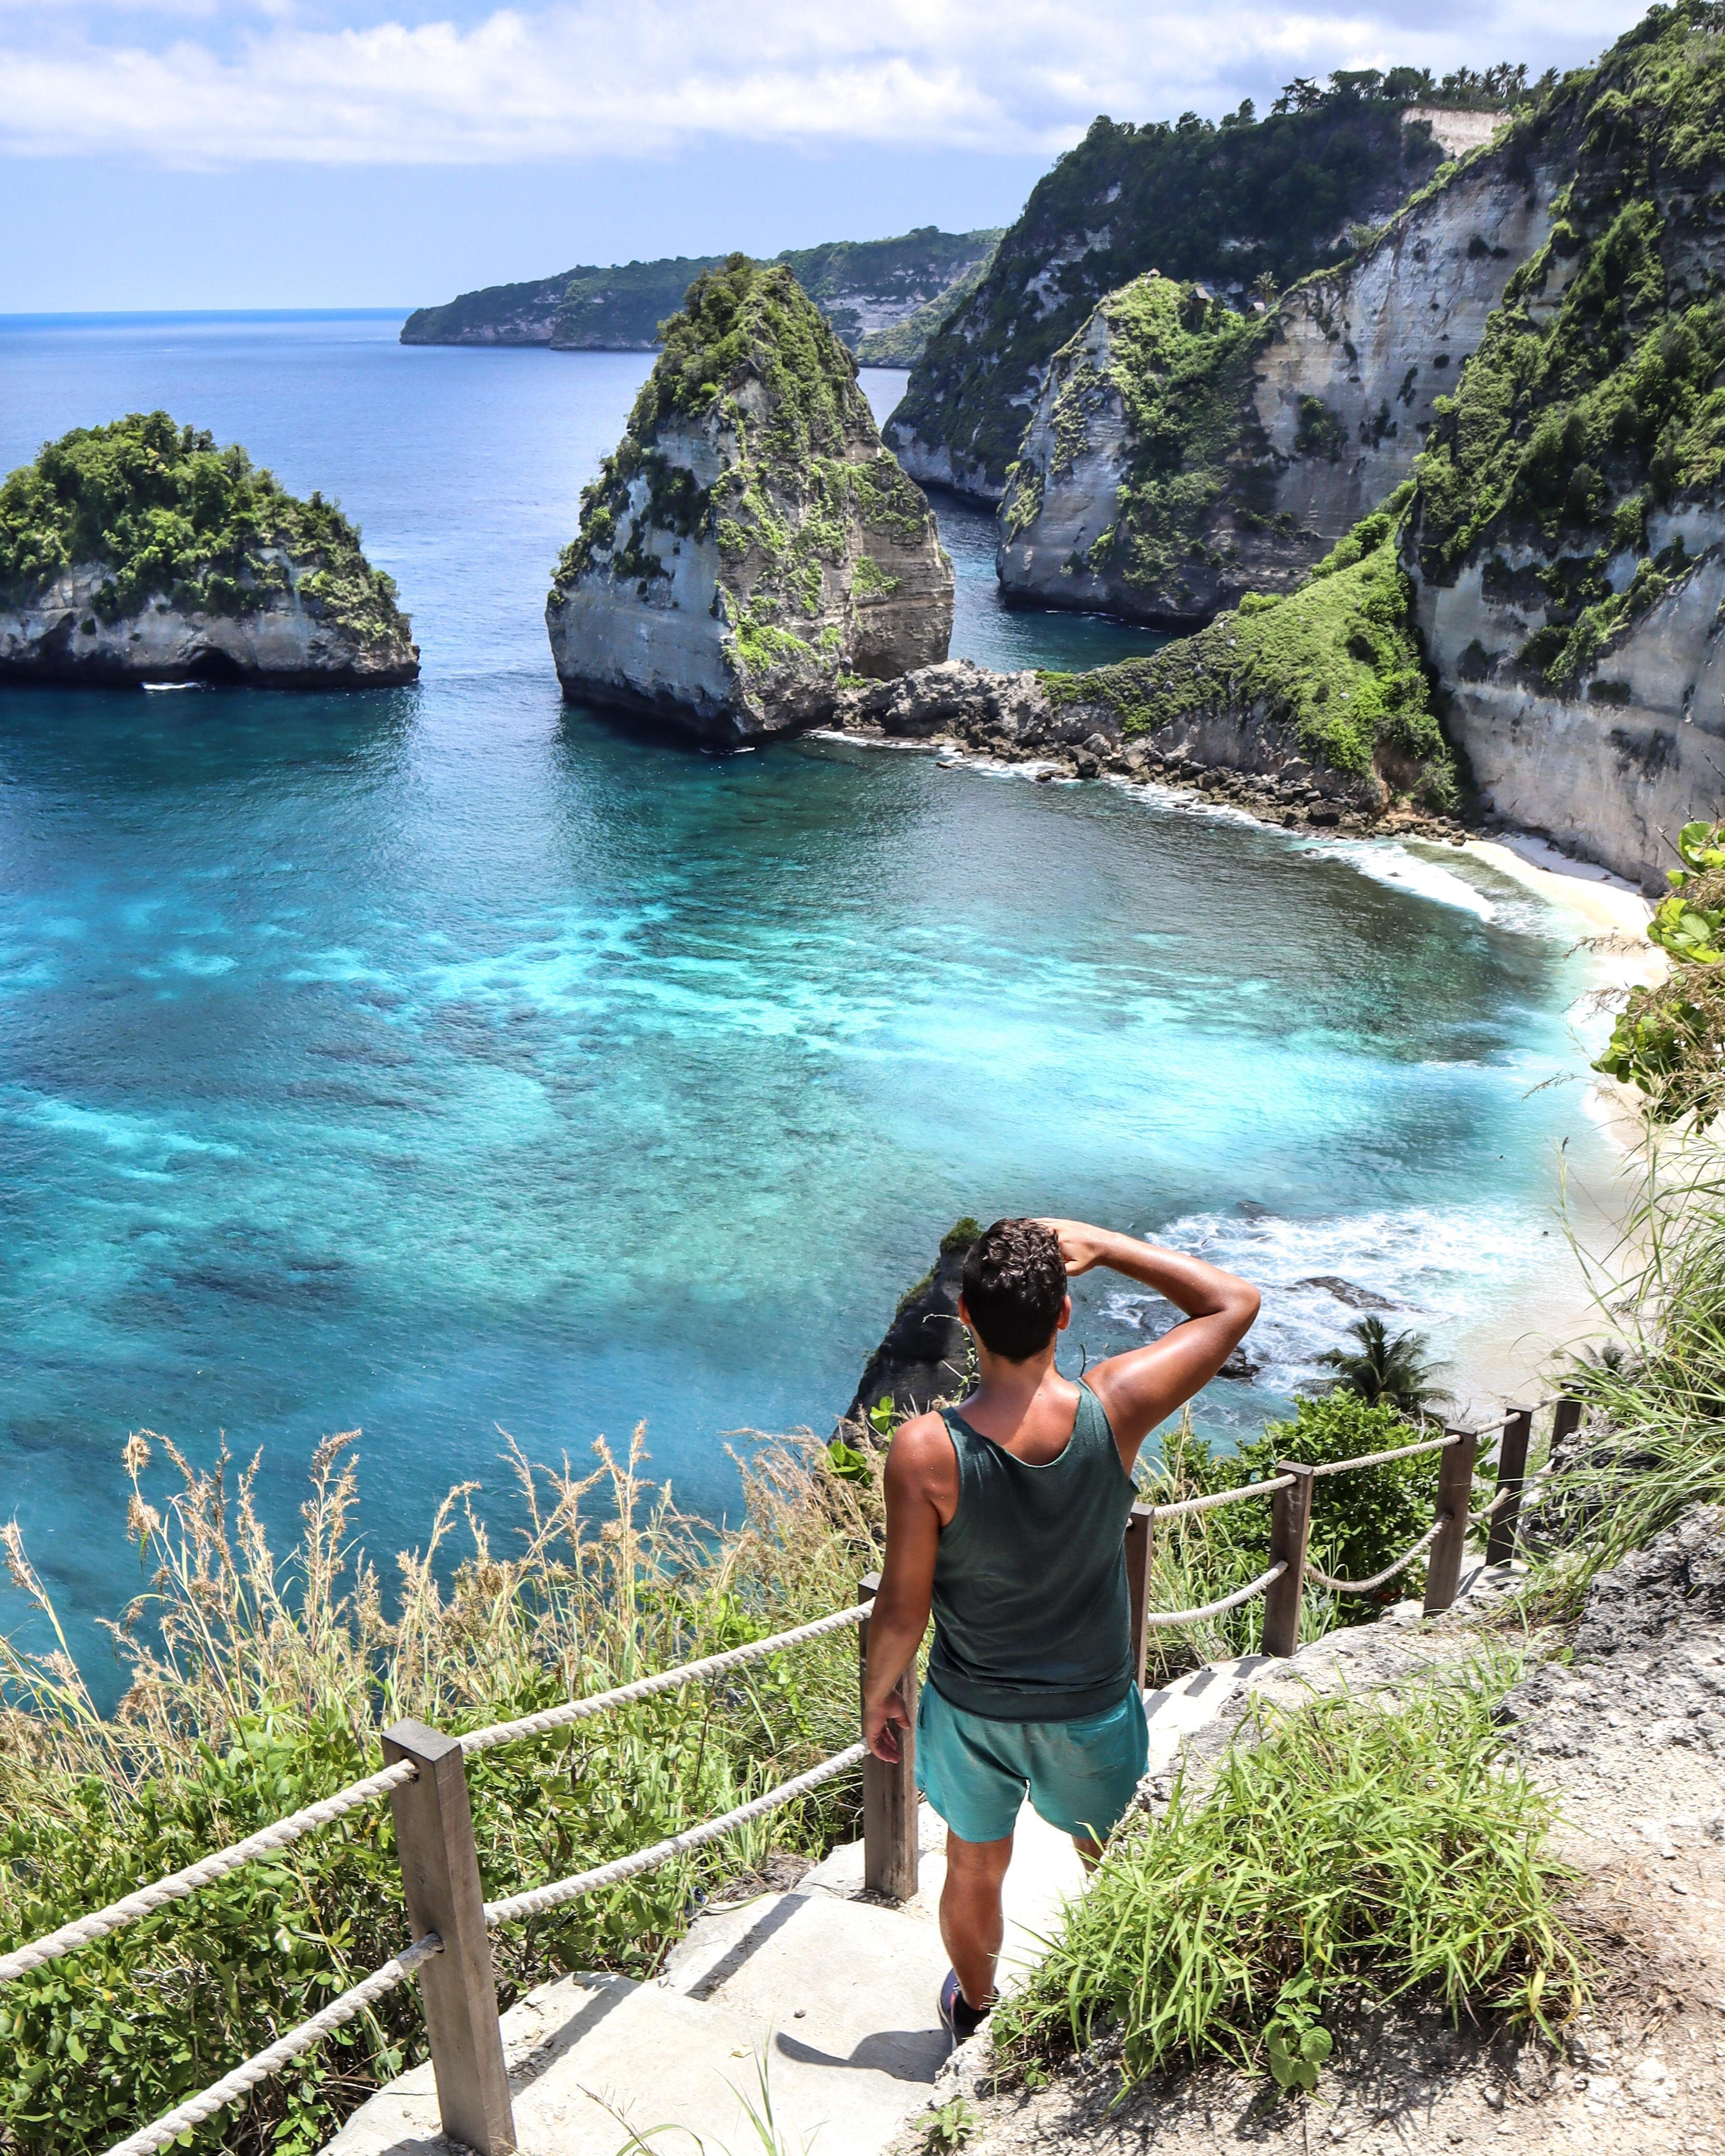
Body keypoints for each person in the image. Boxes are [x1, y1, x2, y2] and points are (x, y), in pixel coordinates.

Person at [859, 1216, 1261, 2040]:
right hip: (1090, 1707)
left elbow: (902, 1610)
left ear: (964, 1318)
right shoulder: (1114, 1405)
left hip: (971, 1712)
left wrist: (879, 1698)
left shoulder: (925, 1451)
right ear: (1065, 1316)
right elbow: (1231, 1303)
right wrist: (1109, 1245)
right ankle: (1116, 1995)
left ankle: (974, 2012)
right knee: (1108, 1856)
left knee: (972, 1865)